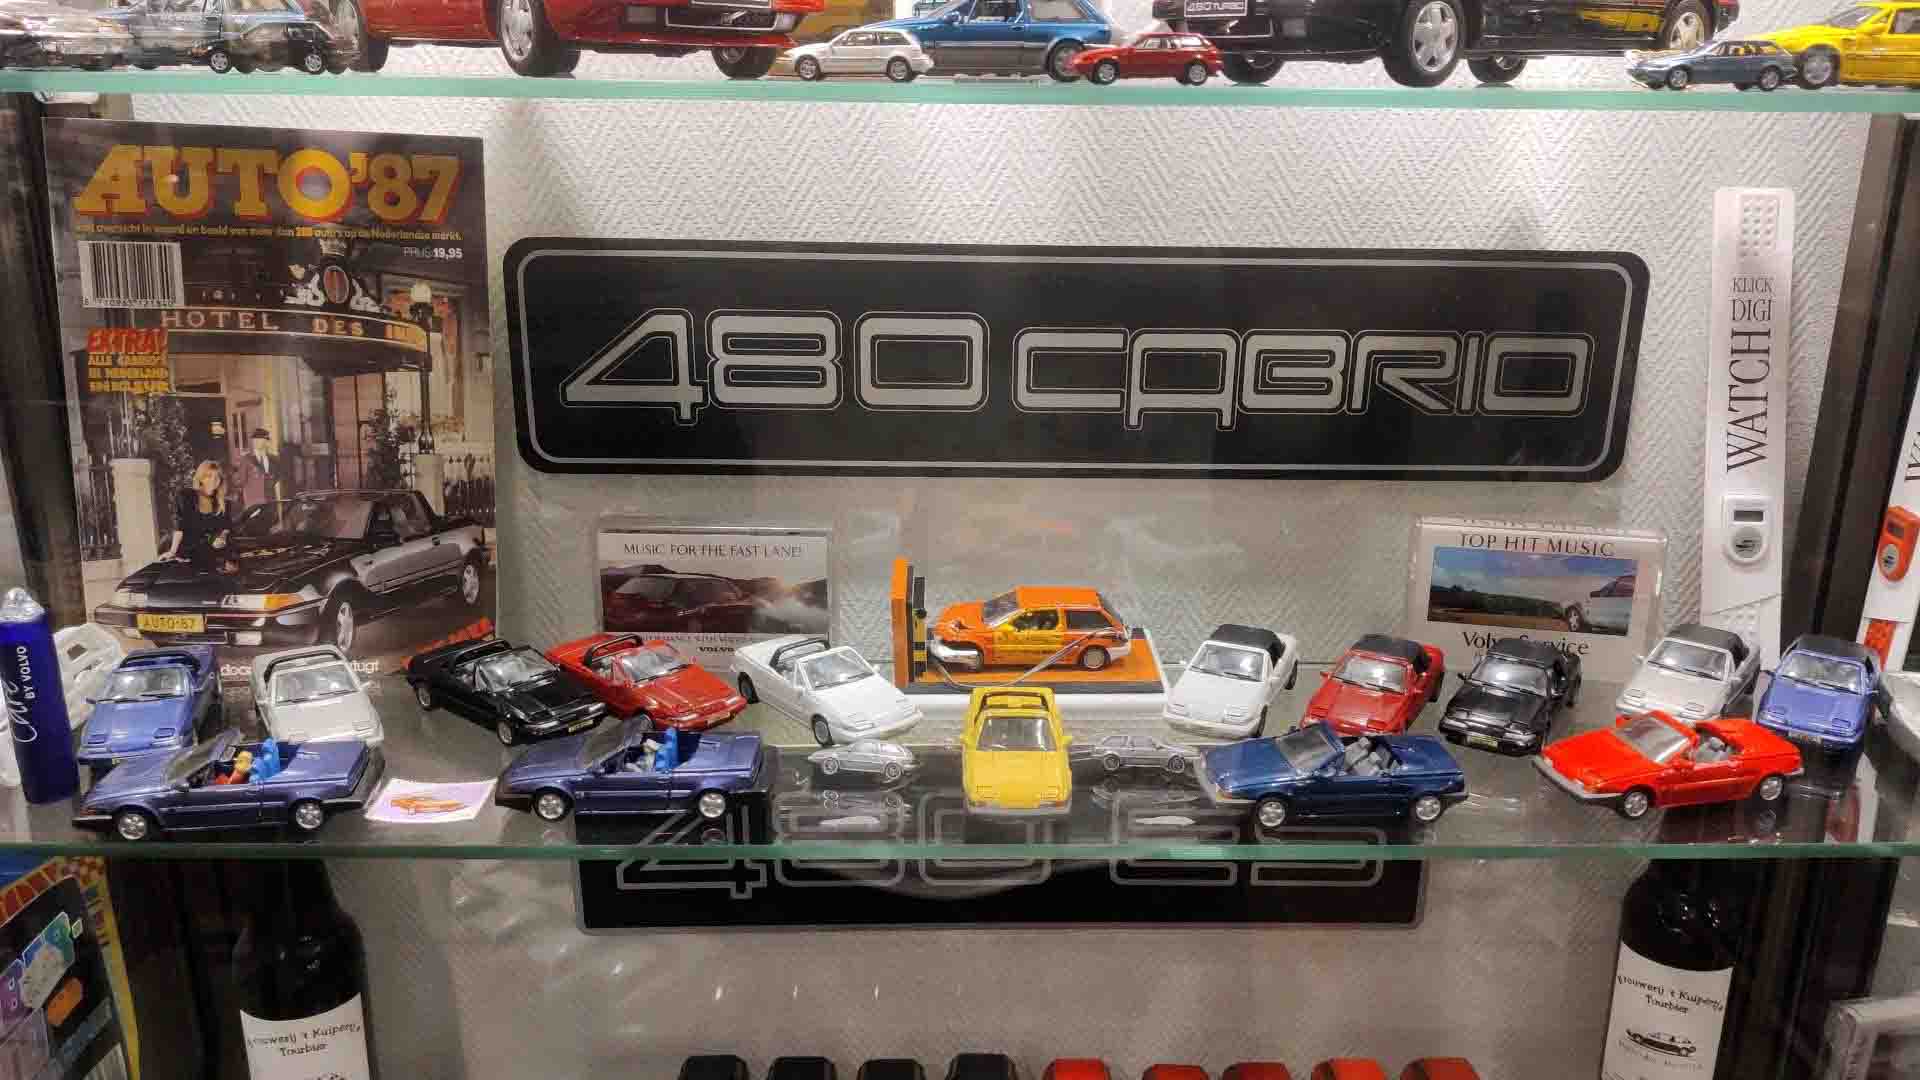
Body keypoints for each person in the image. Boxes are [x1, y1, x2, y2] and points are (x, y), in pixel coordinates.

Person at [163, 460, 233, 568]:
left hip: (210, 555)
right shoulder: (186, 496)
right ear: (201, 478)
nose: (213, 480)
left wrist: (222, 538)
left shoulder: (224, 503)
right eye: (208, 476)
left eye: (217, 477)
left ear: (221, 480)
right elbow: (180, 526)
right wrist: (172, 551)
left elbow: (226, 527)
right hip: (187, 554)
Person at [232, 427, 281, 508]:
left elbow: (277, 477)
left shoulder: (274, 459)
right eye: (254, 440)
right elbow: (240, 481)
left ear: (266, 441)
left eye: (259, 439)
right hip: (253, 503)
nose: (256, 442)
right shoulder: (246, 459)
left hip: (270, 502)